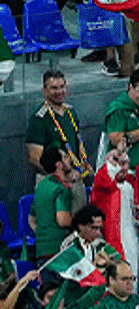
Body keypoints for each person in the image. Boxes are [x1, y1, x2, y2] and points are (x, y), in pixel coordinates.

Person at [27, 70, 91, 208]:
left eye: (62, 87)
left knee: (80, 219)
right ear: (44, 91)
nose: (59, 92)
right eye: (54, 88)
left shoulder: (71, 112)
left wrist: (82, 166)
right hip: (52, 182)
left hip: (75, 177)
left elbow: (76, 144)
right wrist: (61, 176)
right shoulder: (39, 119)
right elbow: (34, 158)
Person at [32, 146, 77, 262]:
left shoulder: (40, 187)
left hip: (41, 251)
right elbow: (63, 221)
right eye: (65, 158)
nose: (69, 160)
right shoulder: (61, 189)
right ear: (59, 165)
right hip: (58, 251)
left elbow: (31, 219)